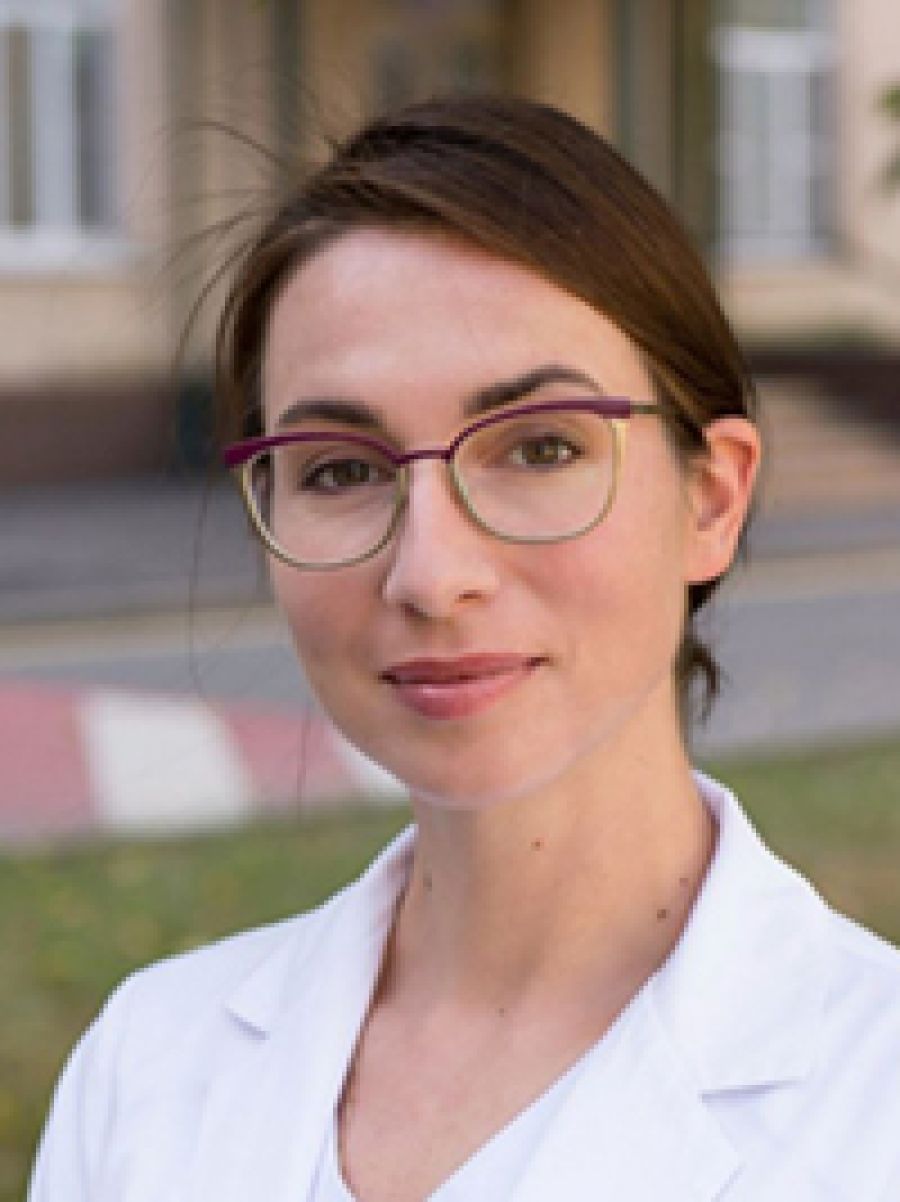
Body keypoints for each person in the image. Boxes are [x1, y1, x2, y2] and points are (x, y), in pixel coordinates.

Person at [29, 96, 900, 1202]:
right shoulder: (145, 1071)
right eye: (341, 469)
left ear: (712, 499)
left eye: (540, 448)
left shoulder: (873, 1102)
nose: (432, 575)